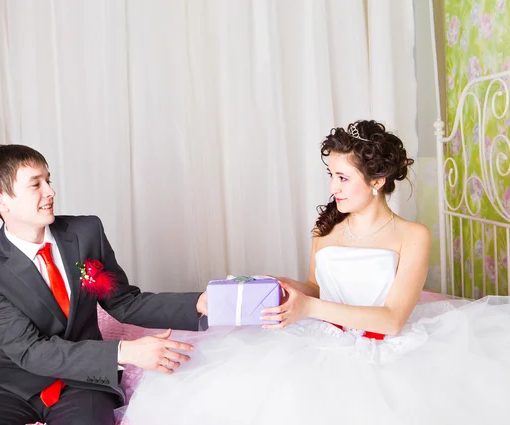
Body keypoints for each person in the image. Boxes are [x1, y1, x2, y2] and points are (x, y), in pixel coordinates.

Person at [123, 120, 510, 425]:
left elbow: (392, 321)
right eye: (330, 174)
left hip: (384, 345)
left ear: (377, 182)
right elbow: (317, 287)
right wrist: (290, 287)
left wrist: (308, 307)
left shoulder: (413, 236)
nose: (332, 187)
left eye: (343, 178)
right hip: (323, 333)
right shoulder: (327, 227)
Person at [0, 144, 207, 425]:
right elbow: (29, 350)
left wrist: (198, 303)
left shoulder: (85, 233)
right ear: (0, 200)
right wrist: (126, 351)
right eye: (36, 184)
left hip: (87, 378)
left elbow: (123, 302)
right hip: (15, 380)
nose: (50, 192)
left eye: (48, 180)